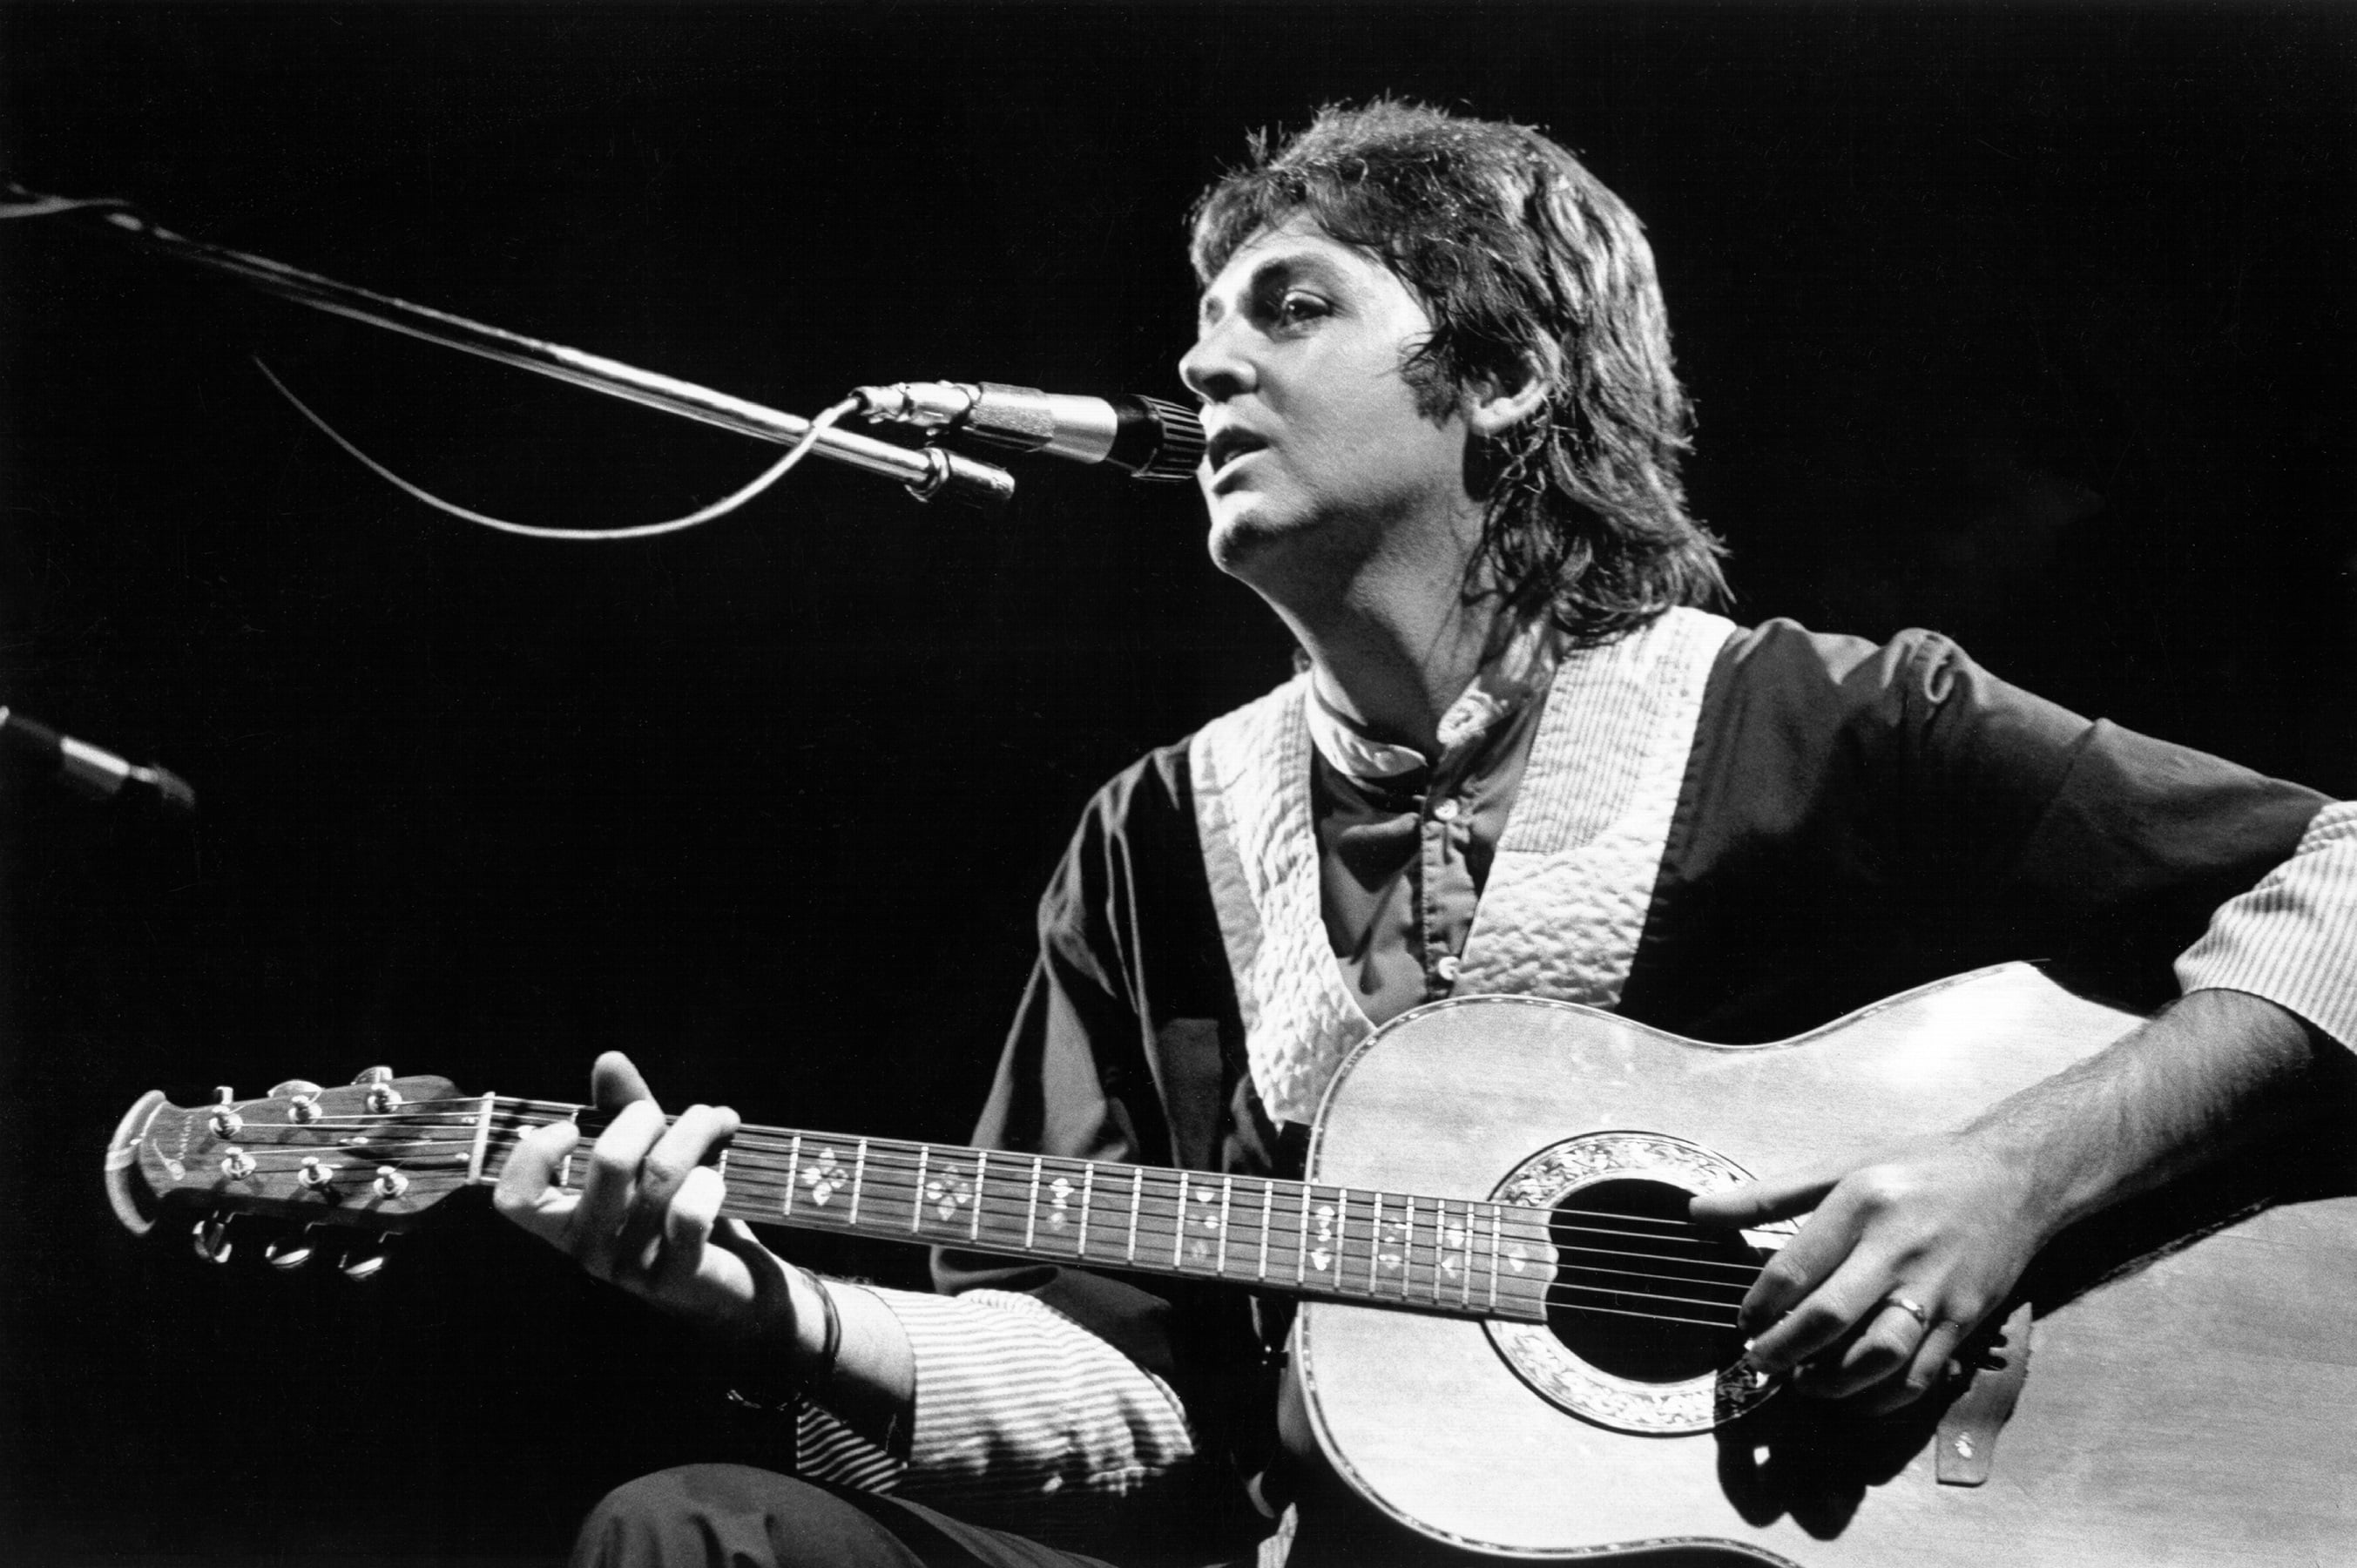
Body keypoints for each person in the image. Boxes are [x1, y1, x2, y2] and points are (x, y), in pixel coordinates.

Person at [493, 101, 2355, 1567]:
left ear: (1507, 372)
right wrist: (764, 1305)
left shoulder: (1826, 723)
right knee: (701, 1535)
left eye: (1292, 308)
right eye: (1201, 330)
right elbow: (1137, 1394)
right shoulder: (1152, 842)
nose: (1204, 370)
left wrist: (2011, 1177)